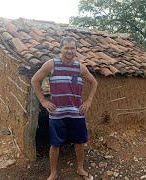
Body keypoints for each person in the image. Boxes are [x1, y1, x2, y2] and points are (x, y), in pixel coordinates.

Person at [31, 36, 97, 180]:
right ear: (60, 49)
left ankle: (80, 168)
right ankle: (53, 173)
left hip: (76, 113)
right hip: (57, 113)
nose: (69, 51)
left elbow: (94, 82)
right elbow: (35, 80)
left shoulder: (80, 66)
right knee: (55, 144)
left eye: (72, 48)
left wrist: (89, 101)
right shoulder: (51, 64)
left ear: (76, 50)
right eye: (66, 48)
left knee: (79, 142)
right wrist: (43, 101)